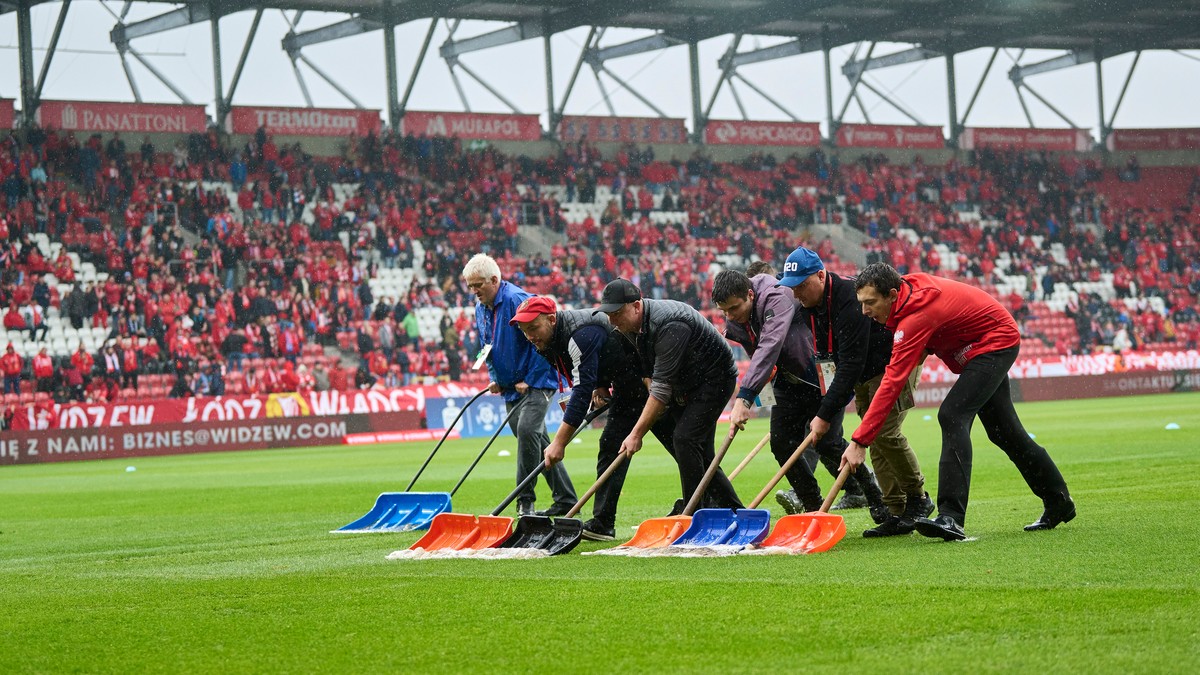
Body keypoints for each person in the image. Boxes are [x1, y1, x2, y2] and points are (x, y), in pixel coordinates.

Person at [842, 263, 1075, 541]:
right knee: (1006, 433)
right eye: (861, 303)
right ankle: (1058, 501)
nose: (865, 311)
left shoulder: (916, 316)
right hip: (980, 345)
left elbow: (893, 381)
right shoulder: (907, 298)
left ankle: (951, 517)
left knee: (952, 415)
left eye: (870, 302)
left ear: (892, 294)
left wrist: (859, 442)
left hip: (995, 342)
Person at [778, 246, 933, 537]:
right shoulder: (810, 306)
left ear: (821, 276)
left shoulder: (849, 298)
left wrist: (824, 415)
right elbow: (832, 360)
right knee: (874, 438)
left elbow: (850, 362)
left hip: (893, 363)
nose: (796, 294)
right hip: (863, 373)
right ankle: (896, 510)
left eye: (801, 286)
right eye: (792, 288)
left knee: (884, 431)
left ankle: (919, 499)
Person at [712, 269, 887, 523]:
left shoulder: (777, 296)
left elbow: (770, 344)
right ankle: (812, 505)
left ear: (750, 294)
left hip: (818, 375)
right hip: (786, 381)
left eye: (734, 308)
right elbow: (758, 353)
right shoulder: (737, 318)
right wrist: (763, 394)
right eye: (724, 311)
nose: (730, 316)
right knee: (781, 443)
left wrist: (745, 396)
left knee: (827, 442)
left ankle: (873, 494)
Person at [512, 295, 662, 541]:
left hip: (646, 379)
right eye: (524, 330)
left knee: (681, 441)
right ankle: (602, 524)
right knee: (615, 445)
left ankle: (711, 502)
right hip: (624, 381)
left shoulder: (580, 333)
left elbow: (581, 391)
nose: (529, 336)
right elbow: (595, 362)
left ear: (551, 319)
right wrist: (601, 385)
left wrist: (559, 442)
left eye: (533, 328)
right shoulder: (545, 339)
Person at [599, 279, 743, 512]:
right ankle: (732, 510)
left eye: (616, 313)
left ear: (636, 306)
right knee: (699, 453)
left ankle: (693, 511)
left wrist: (636, 434)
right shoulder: (629, 327)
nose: (611, 320)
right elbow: (648, 372)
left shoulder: (670, 325)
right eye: (608, 314)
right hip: (685, 381)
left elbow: (662, 388)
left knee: (685, 439)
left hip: (714, 378)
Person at [463, 253, 577, 517]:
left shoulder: (517, 300)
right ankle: (566, 499)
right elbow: (486, 345)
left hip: (537, 383)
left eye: (478, 284)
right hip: (511, 387)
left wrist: (531, 380)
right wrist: (495, 377)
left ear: (494, 280)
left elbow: (541, 338)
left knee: (527, 431)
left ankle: (525, 501)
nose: (474, 291)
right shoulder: (481, 308)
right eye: (470, 286)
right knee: (534, 441)